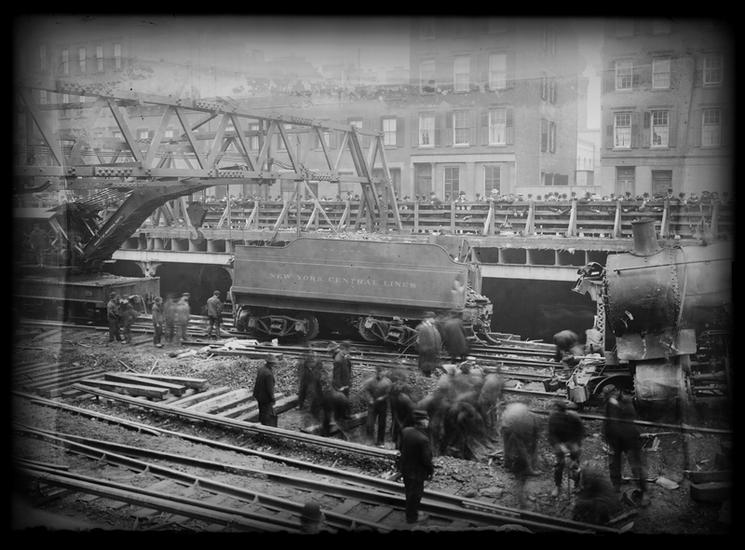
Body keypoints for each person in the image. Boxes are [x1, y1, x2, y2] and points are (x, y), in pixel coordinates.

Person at [602, 385, 650, 507]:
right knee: (614, 465)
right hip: (615, 440)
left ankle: (644, 492)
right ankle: (616, 487)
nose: (610, 397)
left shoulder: (627, 401)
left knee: (636, 467)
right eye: (608, 396)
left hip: (629, 439)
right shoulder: (609, 403)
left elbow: (629, 418)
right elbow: (607, 421)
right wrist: (606, 437)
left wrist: (616, 405)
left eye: (611, 394)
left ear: (617, 392)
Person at [500, 401, 540, 508]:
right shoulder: (521, 421)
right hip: (517, 453)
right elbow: (522, 445)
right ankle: (522, 502)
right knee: (521, 478)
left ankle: (525, 495)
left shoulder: (520, 415)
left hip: (511, 431)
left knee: (523, 477)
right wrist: (528, 464)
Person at [399, 409, 434, 524]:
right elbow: (426, 460)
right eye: (426, 419)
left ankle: (411, 513)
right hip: (417, 472)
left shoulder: (406, 431)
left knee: (409, 492)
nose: (428, 421)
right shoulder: (423, 439)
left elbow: (400, 447)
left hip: (405, 468)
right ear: (422, 421)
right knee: (416, 495)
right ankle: (412, 518)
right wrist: (431, 471)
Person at [547, 399, 585, 498]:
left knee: (575, 465)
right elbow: (551, 434)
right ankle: (557, 486)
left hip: (572, 441)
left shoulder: (573, 417)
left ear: (564, 411)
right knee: (559, 465)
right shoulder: (552, 418)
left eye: (558, 411)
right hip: (560, 443)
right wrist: (559, 445)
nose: (556, 413)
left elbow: (580, 432)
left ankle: (577, 485)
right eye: (555, 411)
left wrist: (574, 444)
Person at [361, 365, 392, 447]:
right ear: (376, 372)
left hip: (383, 405)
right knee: (370, 423)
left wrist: (383, 397)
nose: (379, 374)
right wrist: (370, 399)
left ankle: (380, 441)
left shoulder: (388, 382)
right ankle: (369, 440)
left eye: (381, 372)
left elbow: (389, 393)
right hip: (372, 406)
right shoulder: (370, 381)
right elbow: (366, 390)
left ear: (383, 372)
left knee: (382, 424)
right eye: (378, 372)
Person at [297, 347, 324, 422]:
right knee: (302, 391)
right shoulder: (304, 358)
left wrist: (316, 374)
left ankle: (316, 406)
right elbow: (301, 367)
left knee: (315, 392)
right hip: (306, 376)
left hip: (314, 377)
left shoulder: (318, 359)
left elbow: (320, 368)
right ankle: (300, 405)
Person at [253, 353, 278, 427]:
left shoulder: (261, 369)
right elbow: (269, 389)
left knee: (262, 412)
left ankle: (262, 425)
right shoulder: (268, 374)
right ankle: (267, 428)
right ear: (271, 363)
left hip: (259, 396)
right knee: (267, 415)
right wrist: (273, 399)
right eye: (273, 363)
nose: (274, 365)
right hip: (265, 398)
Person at [415, 312, 442, 377]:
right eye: (433, 318)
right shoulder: (423, 327)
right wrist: (424, 349)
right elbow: (418, 341)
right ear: (428, 318)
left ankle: (426, 375)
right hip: (427, 352)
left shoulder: (432, 327)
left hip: (431, 351)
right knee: (426, 368)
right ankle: (425, 376)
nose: (434, 320)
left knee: (428, 368)